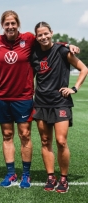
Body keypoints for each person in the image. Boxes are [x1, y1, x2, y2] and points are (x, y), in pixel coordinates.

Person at [0, 10, 79, 189]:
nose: (10, 26)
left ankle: (26, 175)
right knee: (7, 135)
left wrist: (67, 44)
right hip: (1, 95)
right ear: (2, 25)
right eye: (7, 24)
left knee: (26, 135)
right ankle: (11, 174)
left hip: (24, 97)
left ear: (18, 24)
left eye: (13, 23)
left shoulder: (29, 39)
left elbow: (48, 41)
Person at [31, 21, 88, 193]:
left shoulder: (62, 50)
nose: (43, 37)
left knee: (61, 141)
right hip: (41, 102)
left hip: (60, 102)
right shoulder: (34, 53)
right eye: (40, 35)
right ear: (36, 37)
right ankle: (50, 176)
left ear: (51, 32)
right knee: (45, 141)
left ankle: (63, 178)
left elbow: (83, 69)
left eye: (46, 33)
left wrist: (74, 88)